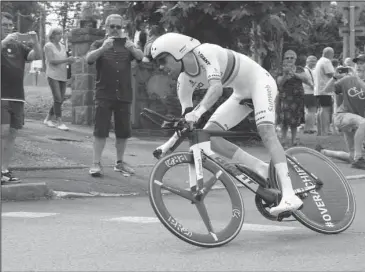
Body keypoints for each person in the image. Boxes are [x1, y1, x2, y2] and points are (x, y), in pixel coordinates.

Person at [150, 32, 303, 216]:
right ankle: (260, 168)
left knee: (267, 132)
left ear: (177, 51)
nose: (161, 67)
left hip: (260, 82)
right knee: (209, 136)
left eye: (163, 60)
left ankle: (289, 195)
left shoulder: (204, 52)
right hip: (240, 93)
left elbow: (216, 88)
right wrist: (166, 146)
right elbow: (187, 121)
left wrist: (197, 113)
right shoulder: (184, 81)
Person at [85, 14, 144, 177]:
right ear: (106, 27)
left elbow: (141, 57)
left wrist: (132, 47)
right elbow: (88, 59)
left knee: (123, 131)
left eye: (119, 27)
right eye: (112, 27)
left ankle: (119, 163)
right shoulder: (99, 44)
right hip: (104, 93)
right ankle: (96, 163)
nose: (116, 30)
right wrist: (103, 48)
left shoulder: (127, 45)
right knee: (100, 130)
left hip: (124, 94)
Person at [1, 12, 42, 184]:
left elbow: (36, 56)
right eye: (5, 25)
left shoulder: (18, 46)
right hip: (1, 96)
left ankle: (4, 170)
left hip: (17, 96)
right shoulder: (4, 43)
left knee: (12, 134)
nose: (9, 28)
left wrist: (36, 42)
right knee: (2, 132)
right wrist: (4, 42)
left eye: (10, 25)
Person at [316, 55, 365, 170]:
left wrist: (356, 78)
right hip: (341, 116)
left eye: (362, 63)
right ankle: (359, 159)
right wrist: (334, 77)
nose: (359, 65)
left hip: (354, 121)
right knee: (364, 123)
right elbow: (326, 90)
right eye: (357, 63)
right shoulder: (347, 79)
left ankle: (323, 151)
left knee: (351, 156)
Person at [43, 26, 78, 130]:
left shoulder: (63, 46)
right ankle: (59, 122)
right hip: (52, 75)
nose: (60, 35)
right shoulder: (48, 46)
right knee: (58, 98)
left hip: (62, 75)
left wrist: (71, 60)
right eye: (58, 33)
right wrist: (66, 60)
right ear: (52, 35)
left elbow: (65, 59)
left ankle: (48, 119)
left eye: (61, 33)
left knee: (60, 99)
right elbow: (51, 61)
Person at [277, 50, 312, 147]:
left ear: (295, 59)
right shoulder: (281, 69)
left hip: (297, 99)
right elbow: (279, 82)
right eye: (287, 58)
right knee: (284, 121)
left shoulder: (299, 69)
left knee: (295, 121)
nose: (289, 59)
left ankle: (293, 141)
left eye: (291, 57)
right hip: (285, 98)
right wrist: (285, 75)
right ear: (284, 59)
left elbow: (306, 80)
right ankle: (283, 141)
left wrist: (294, 74)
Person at [314, 47, 335, 136]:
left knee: (320, 109)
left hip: (318, 89)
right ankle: (325, 131)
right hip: (325, 89)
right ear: (330, 54)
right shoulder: (326, 61)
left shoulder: (319, 61)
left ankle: (320, 131)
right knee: (325, 109)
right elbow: (330, 73)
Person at [302, 55, 317, 134]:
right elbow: (308, 81)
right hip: (309, 92)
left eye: (315, 61)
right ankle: (310, 128)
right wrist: (314, 87)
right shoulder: (305, 70)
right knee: (312, 111)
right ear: (307, 61)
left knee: (309, 111)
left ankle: (307, 127)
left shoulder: (312, 70)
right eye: (312, 61)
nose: (314, 62)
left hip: (309, 92)